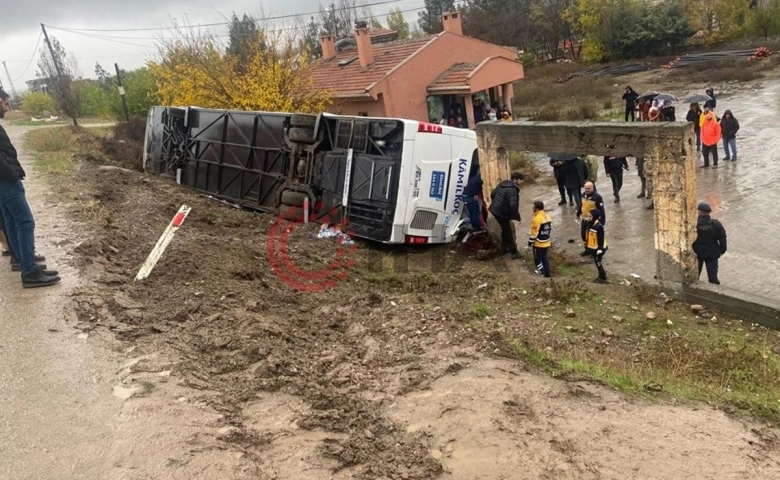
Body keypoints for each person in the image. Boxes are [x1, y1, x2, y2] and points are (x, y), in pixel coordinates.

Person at [0, 89, 61, 288]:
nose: (7, 107)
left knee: (11, 220)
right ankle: (30, 271)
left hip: (5, 181)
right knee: (25, 222)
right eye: (5, 103)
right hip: (5, 181)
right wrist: (12, 173)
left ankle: (22, 261)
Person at [489, 171, 523, 259]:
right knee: (508, 231)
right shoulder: (513, 190)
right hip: (501, 212)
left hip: (495, 210)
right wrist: (518, 218)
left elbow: (492, 194)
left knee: (505, 228)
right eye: (521, 180)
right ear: (515, 180)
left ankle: (505, 248)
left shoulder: (503, 184)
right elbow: (513, 205)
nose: (522, 182)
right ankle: (514, 253)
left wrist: (496, 203)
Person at [692, 202, 727, 285]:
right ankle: (715, 292)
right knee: (713, 277)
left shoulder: (693, 224)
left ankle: (693, 291)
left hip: (697, 253)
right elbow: (723, 238)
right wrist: (722, 250)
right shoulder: (716, 224)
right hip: (712, 253)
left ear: (699, 212)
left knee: (694, 276)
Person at [577, 181, 606, 256]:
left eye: (588, 188)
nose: (586, 190)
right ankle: (587, 249)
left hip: (592, 221)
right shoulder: (583, 194)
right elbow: (582, 205)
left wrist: (601, 222)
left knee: (593, 237)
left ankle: (595, 251)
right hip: (584, 219)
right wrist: (578, 213)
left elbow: (601, 210)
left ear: (592, 188)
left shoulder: (597, 197)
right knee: (584, 235)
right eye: (585, 188)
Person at [528, 200, 552, 277]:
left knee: (538, 260)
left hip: (538, 243)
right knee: (545, 258)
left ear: (537, 209)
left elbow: (534, 233)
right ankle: (548, 274)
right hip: (547, 241)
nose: (532, 208)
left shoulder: (536, 219)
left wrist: (530, 242)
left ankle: (542, 274)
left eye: (533, 207)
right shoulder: (547, 216)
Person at [585, 209, 608, 283]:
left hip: (599, 248)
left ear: (595, 217)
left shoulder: (599, 227)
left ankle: (603, 277)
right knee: (597, 261)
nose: (588, 218)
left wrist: (600, 249)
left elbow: (601, 238)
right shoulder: (591, 223)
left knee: (598, 262)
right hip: (594, 248)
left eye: (590, 216)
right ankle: (601, 275)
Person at [462, 168, 485, 232]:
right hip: (470, 197)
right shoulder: (479, 180)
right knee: (475, 212)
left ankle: (475, 227)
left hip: (466, 196)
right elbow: (476, 195)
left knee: (472, 212)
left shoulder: (475, 178)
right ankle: (477, 228)